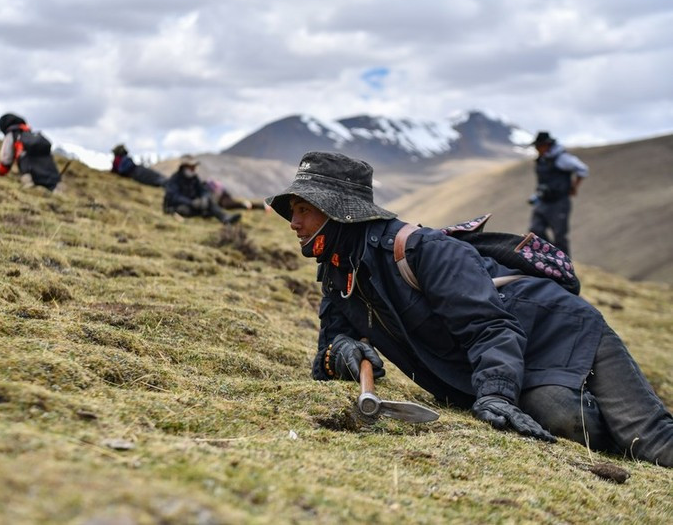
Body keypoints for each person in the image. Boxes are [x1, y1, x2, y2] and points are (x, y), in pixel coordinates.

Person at [266, 151, 673, 467]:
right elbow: (327, 354)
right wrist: (344, 355)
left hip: (560, 330)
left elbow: (492, 328)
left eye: (304, 209)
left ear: (340, 211)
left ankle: (634, 424)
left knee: (650, 439)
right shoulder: (339, 273)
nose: (293, 222)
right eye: (294, 211)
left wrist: (495, 396)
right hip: (508, 362)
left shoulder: (422, 250)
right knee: (562, 418)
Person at [528, 131, 589, 255]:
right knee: (535, 229)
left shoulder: (562, 158)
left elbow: (582, 169)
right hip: (543, 201)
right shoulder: (542, 159)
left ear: (547, 145)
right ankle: (550, 255)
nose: (537, 149)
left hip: (559, 203)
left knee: (560, 235)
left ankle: (564, 266)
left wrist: (574, 186)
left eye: (539, 146)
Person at [163, 155, 241, 225]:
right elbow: (174, 197)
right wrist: (191, 202)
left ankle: (225, 218)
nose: (193, 169)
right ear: (185, 166)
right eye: (191, 166)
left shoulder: (194, 178)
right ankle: (206, 213)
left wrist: (204, 198)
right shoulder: (175, 179)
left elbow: (203, 190)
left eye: (194, 166)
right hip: (179, 206)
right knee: (186, 210)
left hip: (195, 203)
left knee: (209, 202)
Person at [0, 113, 63, 193]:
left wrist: (0, 173)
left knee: (32, 192)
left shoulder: (12, 134)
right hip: (51, 177)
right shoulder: (30, 135)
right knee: (54, 194)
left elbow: (6, 157)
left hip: (29, 174)